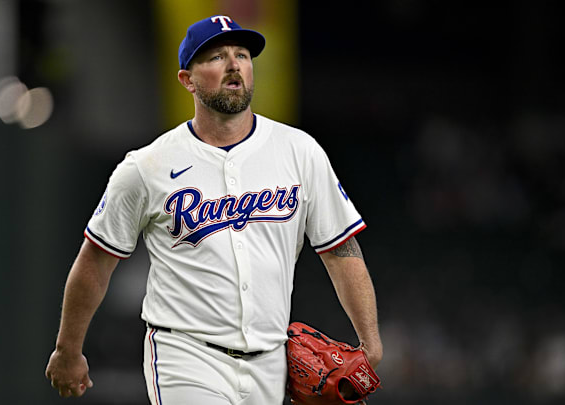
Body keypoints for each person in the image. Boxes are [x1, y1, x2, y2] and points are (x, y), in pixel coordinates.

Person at [45, 15, 382, 404]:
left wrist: (370, 345)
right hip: (185, 355)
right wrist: (68, 350)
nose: (235, 64)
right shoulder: (146, 167)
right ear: (187, 79)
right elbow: (95, 263)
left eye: (242, 54)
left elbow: (341, 250)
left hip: (271, 362)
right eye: (217, 57)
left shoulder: (299, 151)